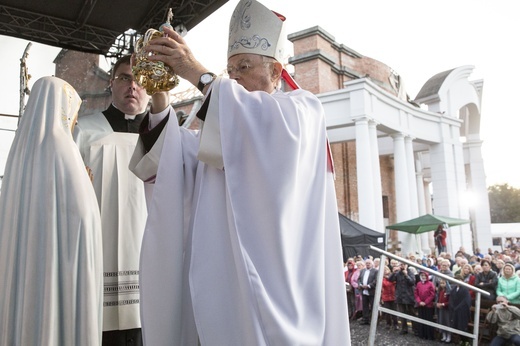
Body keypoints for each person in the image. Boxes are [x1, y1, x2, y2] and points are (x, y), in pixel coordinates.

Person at [128, 0, 350, 344]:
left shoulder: (302, 111)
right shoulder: (223, 127)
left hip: (279, 289)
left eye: (244, 66)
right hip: (221, 285)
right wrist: (158, 96)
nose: (233, 77)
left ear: (276, 72)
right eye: (230, 69)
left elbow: (260, 127)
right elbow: (173, 159)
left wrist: (194, 71)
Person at [0, 77, 103, 345]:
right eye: (75, 114)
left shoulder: (19, 153)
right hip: (58, 270)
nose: (76, 122)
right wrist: (87, 188)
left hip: (28, 266)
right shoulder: (63, 149)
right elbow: (84, 219)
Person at [74, 55, 159, 345]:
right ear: (111, 83)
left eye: (139, 80)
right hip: (98, 251)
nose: (132, 86)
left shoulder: (163, 136)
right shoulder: (84, 131)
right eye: (124, 78)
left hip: (149, 251)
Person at [389, 262, 416, 335]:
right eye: (401, 264)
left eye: (403, 264)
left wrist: (406, 274)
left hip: (409, 296)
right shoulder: (397, 273)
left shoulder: (410, 272)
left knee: (412, 313)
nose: (402, 266)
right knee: (402, 313)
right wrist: (393, 272)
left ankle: (415, 329)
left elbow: (412, 282)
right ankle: (404, 329)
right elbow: (390, 280)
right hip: (400, 296)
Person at [449, 275, 472, 346]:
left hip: (462, 311)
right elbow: (451, 298)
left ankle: (467, 341)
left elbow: (466, 300)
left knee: (462, 326)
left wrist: (458, 307)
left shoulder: (465, 289)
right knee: (456, 326)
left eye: (459, 280)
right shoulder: (454, 289)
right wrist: (452, 306)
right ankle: (462, 340)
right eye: (456, 280)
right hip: (455, 311)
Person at [414, 271, 436, 340]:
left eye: (424, 275)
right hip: (420, 305)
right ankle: (422, 334)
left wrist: (425, 302)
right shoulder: (418, 284)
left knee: (428, 319)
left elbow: (432, 295)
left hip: (428, 305)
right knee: (421, 319)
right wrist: (419, 301)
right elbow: (416, 293)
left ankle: (429, 335)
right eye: (422, 275)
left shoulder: (430, 284)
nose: (423, 277)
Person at [358, 259, 378, 325]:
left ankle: (373, 320)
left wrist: (369, 286)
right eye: (366, 263)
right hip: (363, 291)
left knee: (373, 306)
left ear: (372, 264)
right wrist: (360, 285)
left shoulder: (375, 271)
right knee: (365, 306)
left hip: (371, 291)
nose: (368, 264)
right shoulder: (362, 271)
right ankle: (365, 319)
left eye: (369, 263)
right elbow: (359, 279)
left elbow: (376, 280)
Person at [436, 279, 452, 343]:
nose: (442, 285)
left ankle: (449, 336)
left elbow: (450, 301)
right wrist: (437, 304)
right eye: (441, 283)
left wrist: (443, 304)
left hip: (447, 309)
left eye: (443, 283)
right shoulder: (440, 291)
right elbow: (438, 299)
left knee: (447, 322)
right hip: (441, 309)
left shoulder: (448, 292)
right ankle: (444, 335)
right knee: (441, 321)